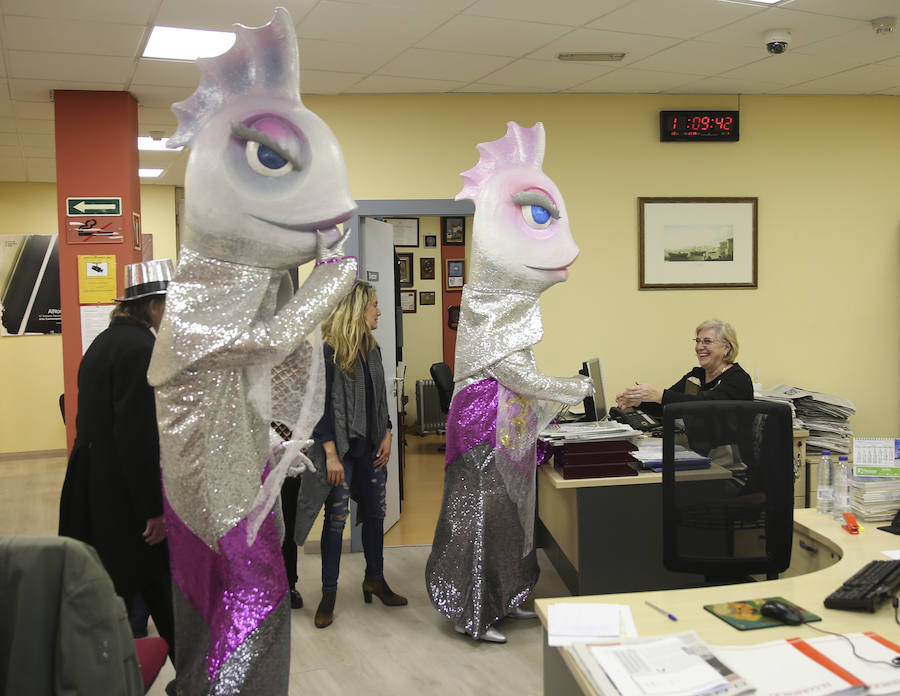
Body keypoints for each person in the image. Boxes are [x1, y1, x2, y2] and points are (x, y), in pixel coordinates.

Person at [59, 258, 176, 665]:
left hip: (95, 486)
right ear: (155, 306)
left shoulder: (104, 344)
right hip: (123, 501)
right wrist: (153, 509)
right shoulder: (141, 350)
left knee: (140, 592)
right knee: (139, 592)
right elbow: (136, 439)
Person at [304, 280, 407, 629]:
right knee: (335, 522)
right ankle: (328, 593)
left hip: (372, 445)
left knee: (376, 513)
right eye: (374, 304)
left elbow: (379, 398)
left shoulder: (372, 348)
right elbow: (318, 407)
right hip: (342, 450)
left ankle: (374, 579)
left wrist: (389, 432)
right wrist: (331, 454)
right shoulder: (329, 351)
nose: (379, 311)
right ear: (356, 309)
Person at [615, 318, 752, 415]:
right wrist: (639, 402)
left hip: (729, 453)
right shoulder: (696, 375)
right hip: (698, 450)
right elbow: (668, 407)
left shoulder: (738, 379)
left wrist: (660, 395)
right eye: (698, 341)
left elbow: (707, 406)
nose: (699, 347)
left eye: (707, 342)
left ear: (726, 348)